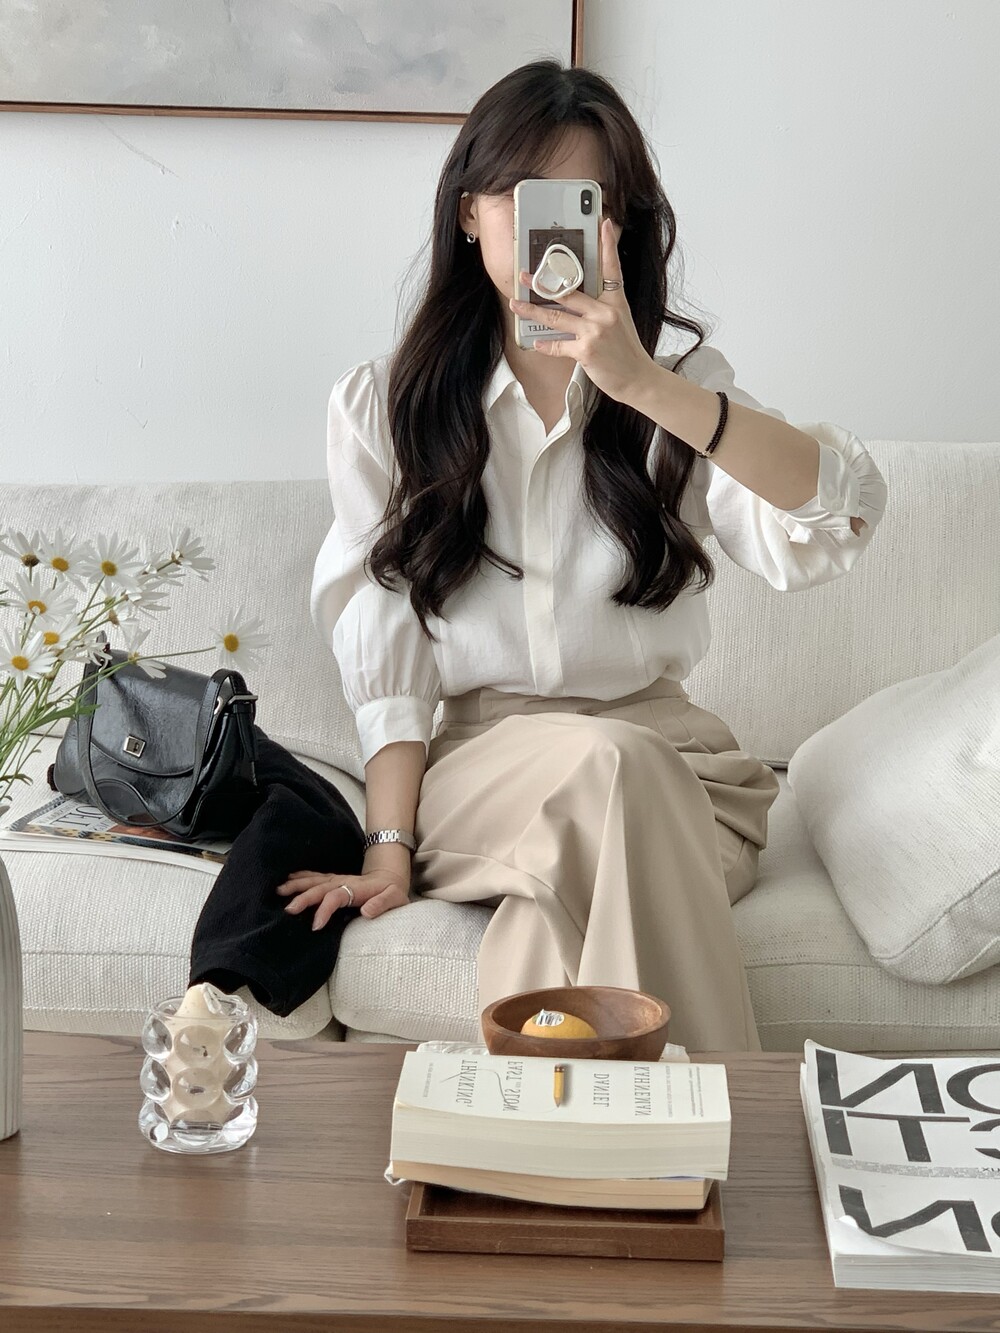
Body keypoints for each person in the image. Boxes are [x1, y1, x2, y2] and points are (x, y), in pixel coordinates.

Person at [279, 59, 888, 1052]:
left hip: (686, 782)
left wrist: (643, 384)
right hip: (485, 780)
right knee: (609, 767)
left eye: (583, 203)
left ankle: (537, 1134)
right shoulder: (386, 406)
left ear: (618, 225)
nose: (549, 234)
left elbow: (836, 515)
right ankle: (713, 1119)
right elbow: (385, 644)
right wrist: (390, 844)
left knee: (564, 880)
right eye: (522, 199)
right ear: (469, 213)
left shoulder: (678, 388)